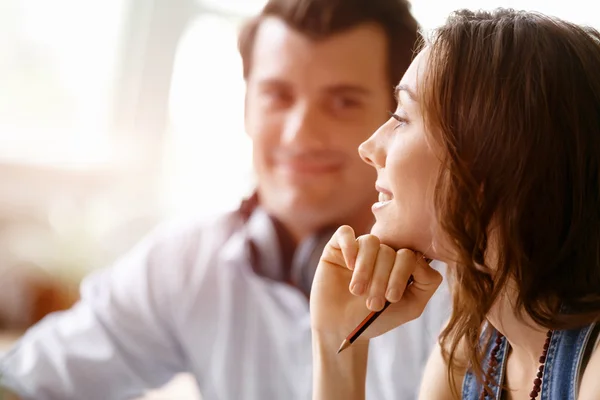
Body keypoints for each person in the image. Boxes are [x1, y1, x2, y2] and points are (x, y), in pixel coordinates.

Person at [0, 0, 451, 399]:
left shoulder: (459, 288)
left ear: (395, 122)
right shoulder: (187, 261)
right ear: (246, 106)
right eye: (276, 95)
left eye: (343, 102)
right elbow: (29, 380)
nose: (300, 134)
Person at [310, 7, 600, 400]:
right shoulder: (470, 350)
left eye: (401, 117)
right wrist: (336, 343)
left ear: (495, 155)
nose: (369, 148)